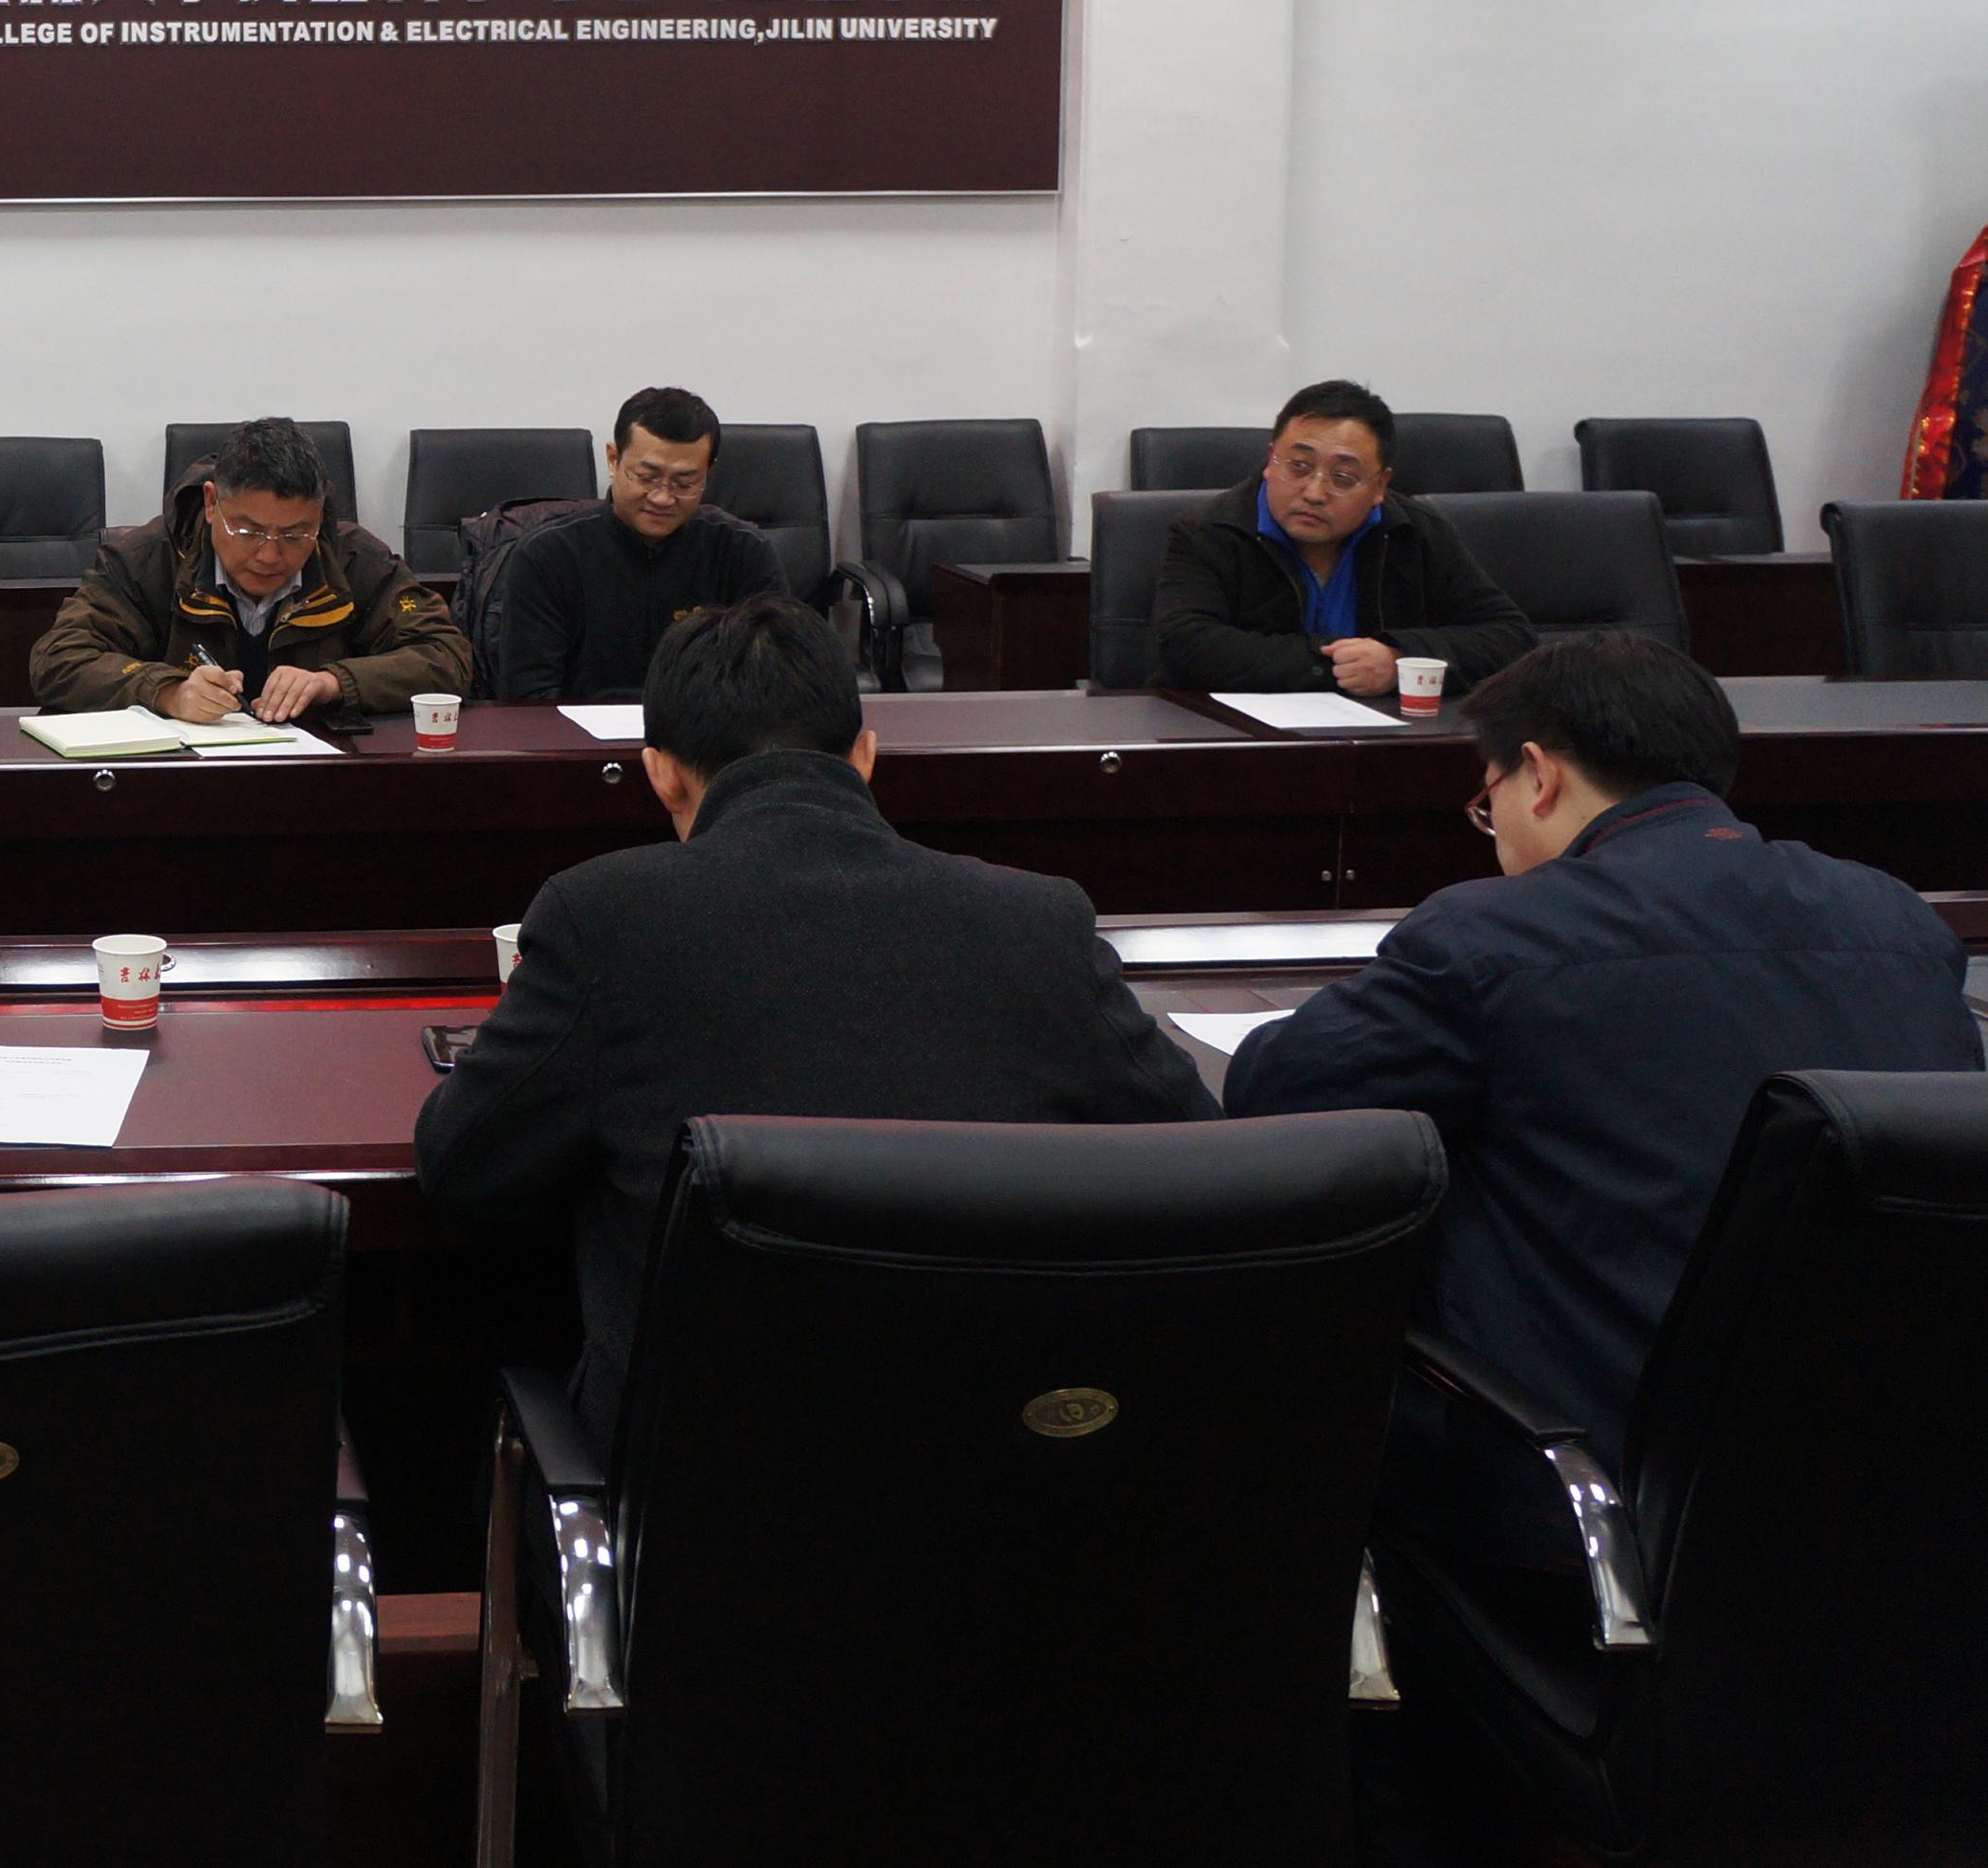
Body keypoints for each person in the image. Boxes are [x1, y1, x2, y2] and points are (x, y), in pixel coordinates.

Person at [1225, 632, 1977, 1567]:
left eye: (1487, 800)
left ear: (1538, 775)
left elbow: (1274, 1089)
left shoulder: (1495, 935)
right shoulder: (1899, 921)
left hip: (1594, 1515)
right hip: (1909, 1501)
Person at [414, 596, 1216, 1439]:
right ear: (865, 757)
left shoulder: (602, 917)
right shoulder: (1038, 922)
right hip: (996, 1468)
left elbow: (463, 1166)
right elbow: (1202, 1165)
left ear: (660, 773)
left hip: (701, 1485)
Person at [32, 416, 471, 722]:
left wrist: (334, 683)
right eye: (248, 532)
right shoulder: (145, 560)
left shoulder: (354, 558)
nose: (269, 556)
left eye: (295, 534)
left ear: (318, 517)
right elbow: (58, 660)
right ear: (211, 504)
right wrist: (168, 691)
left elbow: (447, 656)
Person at [1152, 379, 1535, 697]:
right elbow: (1184, 647)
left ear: (1380, 484)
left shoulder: (1414, 531)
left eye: (1343, 477)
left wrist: (1398, 661)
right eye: (1298, 466)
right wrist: (1338, 665)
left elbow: (1510, 637)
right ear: (1270, 461)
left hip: (1384, 741)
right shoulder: (1209, 531)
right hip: (1245, 741)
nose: (1314, 492)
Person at [492, 385, 788, 702]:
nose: (662, 498)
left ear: (707, 474)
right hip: (576, 731)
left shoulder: (743, 552)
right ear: (613, 459)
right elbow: (529, 698)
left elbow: (781, 678)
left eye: (685, 483)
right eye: (647, 477)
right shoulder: (548, 556)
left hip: (708, 729)